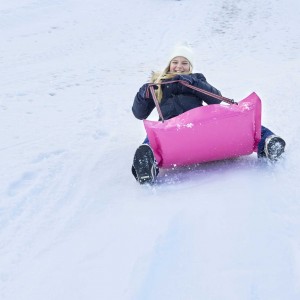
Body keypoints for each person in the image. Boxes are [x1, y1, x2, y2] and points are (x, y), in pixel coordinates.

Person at [131, 44, 286, 184]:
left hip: (196, 122)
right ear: (169, 64)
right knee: (153, 137)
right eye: (175, 62)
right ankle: (146, 165)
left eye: (184, 63)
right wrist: (142, 96)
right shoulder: (157, 85)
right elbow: (139, 114)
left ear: (190, 67)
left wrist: (193, 84)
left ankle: (268, 142)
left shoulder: (196, 79)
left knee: (237, 122)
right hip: (171, 125)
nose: (179, 66)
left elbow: (215, 99)